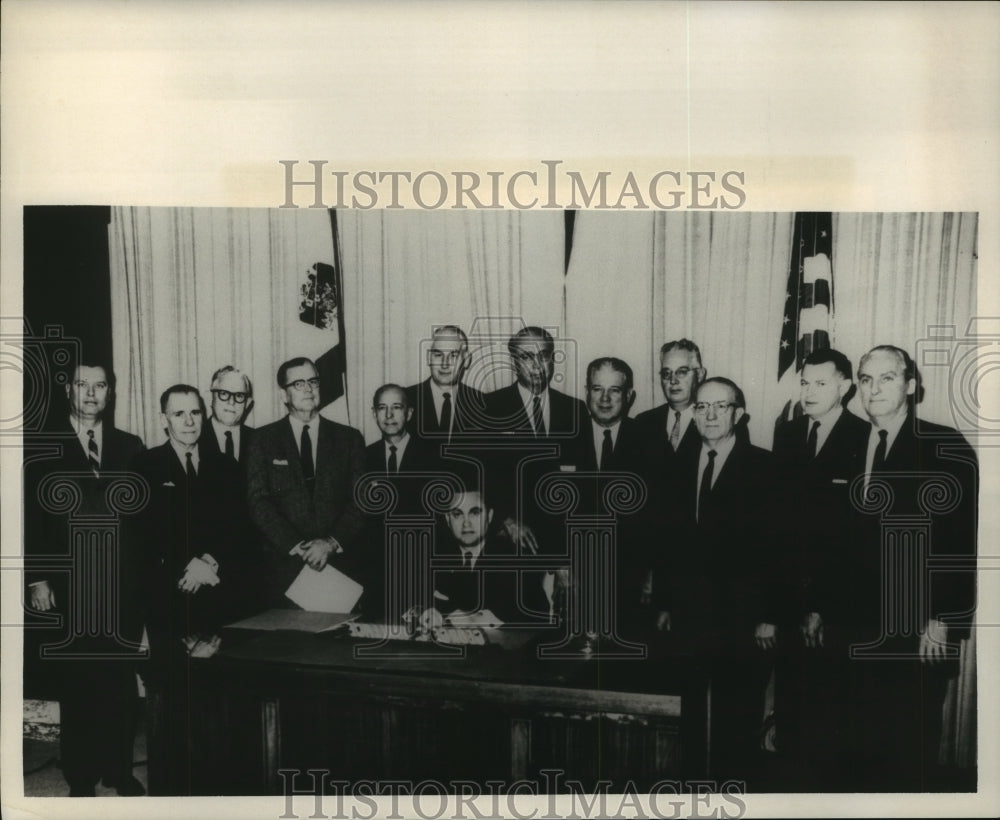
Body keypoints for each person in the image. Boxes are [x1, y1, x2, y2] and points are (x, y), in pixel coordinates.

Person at [844, 345, 977, 791]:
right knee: (858, 748)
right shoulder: (849, 444)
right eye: (865, 379)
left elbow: (959, 543)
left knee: (909, 747)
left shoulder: (944, 446)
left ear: (911, 386)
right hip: (857, 627)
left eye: (886, 378)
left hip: (919, 630)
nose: (873, 388)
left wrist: (942, 619)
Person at [24, 363, 146, 796]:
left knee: (119, 683)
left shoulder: (131, 447)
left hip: (123, 587)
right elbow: (30, 517)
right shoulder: (43, 447)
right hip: (71, 585)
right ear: (68, 392)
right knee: (78, 683)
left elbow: (144, 522)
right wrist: (37, 578)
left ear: (110, 392)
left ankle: (118, 770)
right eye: (82, 384)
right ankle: (79, 777)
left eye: (100, 385)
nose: (91, 393)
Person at [653, 377, 780, 785]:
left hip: (743, 623)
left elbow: (781, 551)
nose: (708, 415)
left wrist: (770, 616)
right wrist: (666, 604)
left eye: (719, 407)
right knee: (690, 719)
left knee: (736, 720)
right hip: (690, 619)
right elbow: (671, 543)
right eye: (701, 407)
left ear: (739, 415)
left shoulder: (765, 467)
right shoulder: (678, 464)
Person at [127, 384, 246, 794]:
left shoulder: (226, 466)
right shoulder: (143, 467)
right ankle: (171, 792)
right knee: (171, 706)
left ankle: (219, 788)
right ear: (164, 419)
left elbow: (239, 532)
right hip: (167, 598)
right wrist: (186, 566)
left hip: (216, 599)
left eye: (195, 413)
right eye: (180, 414)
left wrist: (209, 562)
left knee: (218, 704)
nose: (190, 421)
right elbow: (140, 538)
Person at [771, 348, 869, 788]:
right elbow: (778, 529)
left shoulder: (863, 438)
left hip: (838, 606)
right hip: (790, 602)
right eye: (805, 383)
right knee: (791, 707)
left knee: (833, 715)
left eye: (821, 384)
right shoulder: (787, 433)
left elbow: (852, 541)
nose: (809, 392)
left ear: (845, 387)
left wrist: (821, 606)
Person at [245, 357, 367, 606]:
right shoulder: (262, 440)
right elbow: (258, 501)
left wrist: (331, 543)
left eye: (313, 381)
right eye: (298, 384)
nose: (309, 389)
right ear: (284, 395)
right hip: (285, 570)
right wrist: (297, 546)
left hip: (339, 569)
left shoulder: (349, 439)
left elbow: (361, 501)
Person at [362, 384, 440, 618]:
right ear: (374, 413)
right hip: (376, 578)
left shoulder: (433, 457)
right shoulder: (362, 458)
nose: (389, 415)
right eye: (382, 408)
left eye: (396, 407)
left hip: (421, 575)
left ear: (409, 413)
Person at [429, 485, 548, 627]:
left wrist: (479, 620)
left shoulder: (513, 559)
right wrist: (423, 613)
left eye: (475, 513)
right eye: (457, 514)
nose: (466, 523)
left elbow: (539, 613)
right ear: (448, 519)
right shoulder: (435, 557)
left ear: (489, 516)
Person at [405, 325, 488, 445]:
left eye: (453, 356)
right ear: (429, 358)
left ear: (466, 360)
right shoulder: (406, 399)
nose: (445, 364)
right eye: (438, 355)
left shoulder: (481, 403)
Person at [634, 339, 706, 465]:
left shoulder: (716, 421)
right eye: (666, 373)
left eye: (682, 372)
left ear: (699, 374)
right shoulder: (643, 422)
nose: (673, 380)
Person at [199, 365, 255, 466]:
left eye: (239, 395)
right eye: (224, 393)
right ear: (209, 398)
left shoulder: (258, 440)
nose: (231, 402)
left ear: (247, 403)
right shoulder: (195, 437)